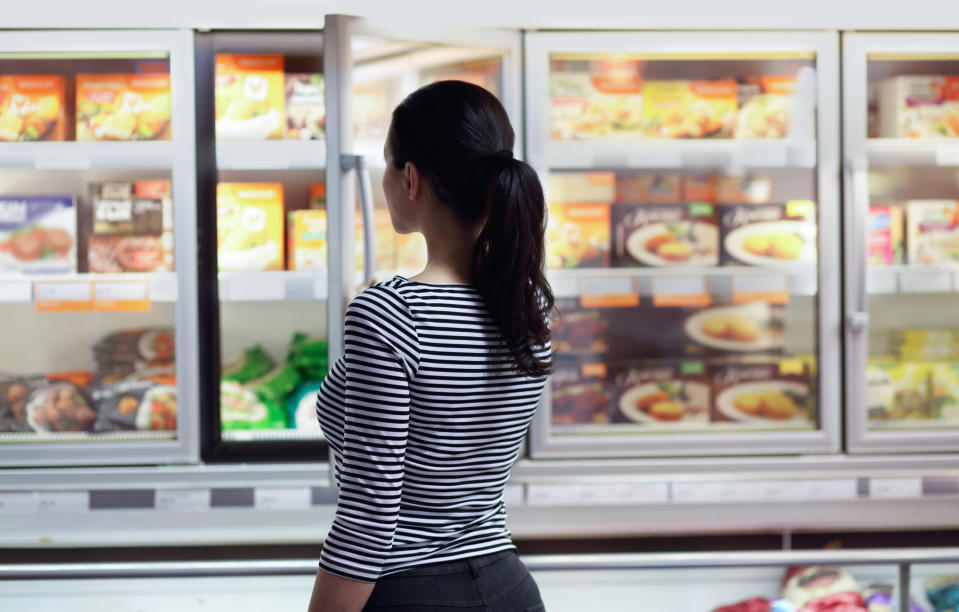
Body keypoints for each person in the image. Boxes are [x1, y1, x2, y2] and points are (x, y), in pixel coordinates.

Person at [308, 80, 553, 612]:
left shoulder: (392, 313)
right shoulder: (529, 303)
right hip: (508, 587)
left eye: (387, 164)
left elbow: (368, 516)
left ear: (410, 179)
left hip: (412, 593)